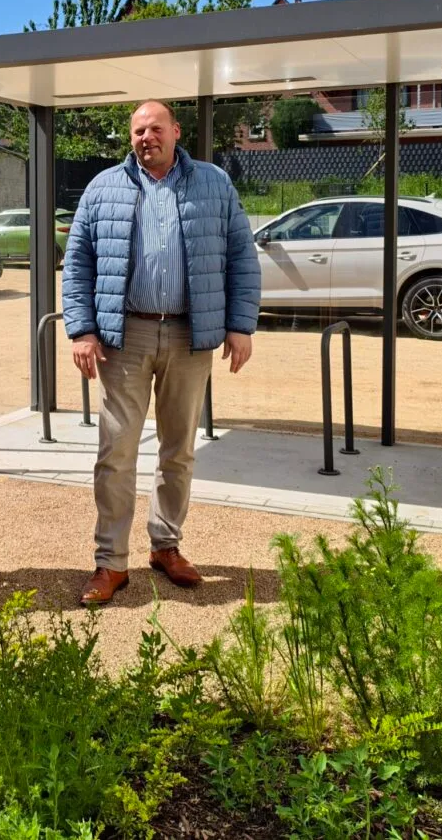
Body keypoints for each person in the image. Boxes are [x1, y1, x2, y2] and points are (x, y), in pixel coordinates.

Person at [61, 100, 261, 606]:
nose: (145, 137)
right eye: (137, 131)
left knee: (179, 450)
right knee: (116, 452)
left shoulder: (214, 183)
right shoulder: (103, 187)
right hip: (124, 337)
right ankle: (111, 561)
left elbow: (242, 254)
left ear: (176, 132)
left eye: (154, 128)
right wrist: (82, 330)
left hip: (189, 337)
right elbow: (78, 261)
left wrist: (240, 325)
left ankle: (166, 546)